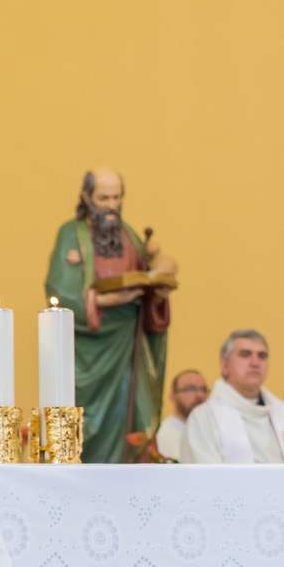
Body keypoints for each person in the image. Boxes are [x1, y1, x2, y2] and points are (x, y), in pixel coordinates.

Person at [44, 167, 176, 463]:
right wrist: (102, 298)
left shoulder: (129, 235)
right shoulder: (71, 233)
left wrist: (157, 292)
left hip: (127, 345)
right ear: (86, 197)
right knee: (87, 422)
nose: (111, 205)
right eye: (103, 198)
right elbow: (58, 289)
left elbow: (148, 282)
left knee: (137, 416)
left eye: (117, 197)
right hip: (88, 350)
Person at [180, 329, 284, 464]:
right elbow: (203, 481)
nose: (255, 363)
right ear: (224, 366)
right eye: (245, 354)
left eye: (262, 356)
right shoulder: (203, 418)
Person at [156, 370, 208, 461]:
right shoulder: (166, 434)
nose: (199, 395)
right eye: (190, 389)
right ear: (172, 397)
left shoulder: (211, 430)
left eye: (204, 390)